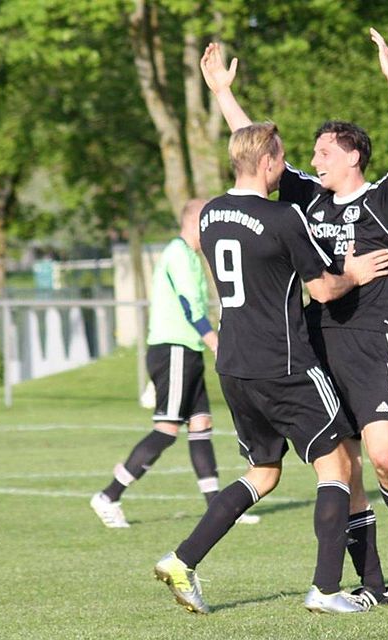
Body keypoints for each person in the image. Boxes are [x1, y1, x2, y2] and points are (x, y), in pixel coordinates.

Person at [200, 28, 388, 605]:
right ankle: (371, 584)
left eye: (324, 153)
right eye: (310, 155)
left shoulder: (384, 201)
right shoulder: (306, 197)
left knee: (384, 459)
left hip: (369, 342)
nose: (312, 161)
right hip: (315, 343)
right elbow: (252, 150)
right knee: (347, 472)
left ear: (354, 156)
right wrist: (222, 93)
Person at [153, 122, 388, 615]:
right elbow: (322, 290)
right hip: (283, 364)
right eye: (281, 158)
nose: (286, 166)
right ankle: (326, 590)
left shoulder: (211, 214)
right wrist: (353, 272)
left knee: (263, 471)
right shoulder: (286, 217)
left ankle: (182, 560)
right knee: (337, 466)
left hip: (234, 365)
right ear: (266, 163)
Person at [90, 199, 259, 528]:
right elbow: (188, 304)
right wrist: (214, 341)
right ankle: (108, 496)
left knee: (201, 427)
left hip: (186, 350)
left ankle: (217, 508)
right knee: (167, 429)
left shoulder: (192, 257)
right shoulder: (179, 255)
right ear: (195, 220)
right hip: (174, 349)